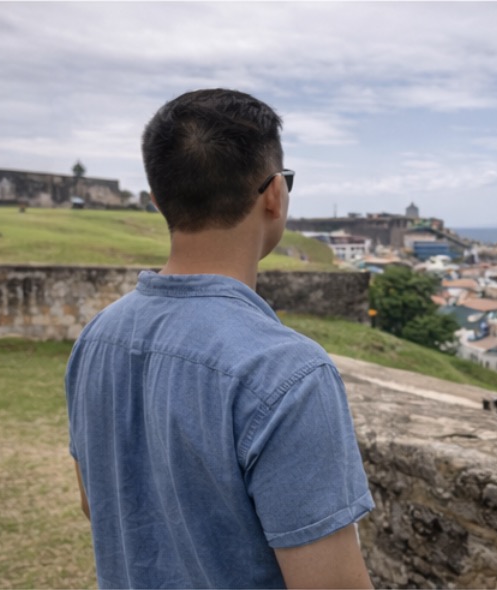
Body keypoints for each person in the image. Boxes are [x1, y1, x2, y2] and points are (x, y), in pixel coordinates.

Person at [65, 89, 375, 589]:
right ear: (275, 194)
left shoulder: (98, 337)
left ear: (158, 199)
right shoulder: (287, 372)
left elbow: (95, 503)